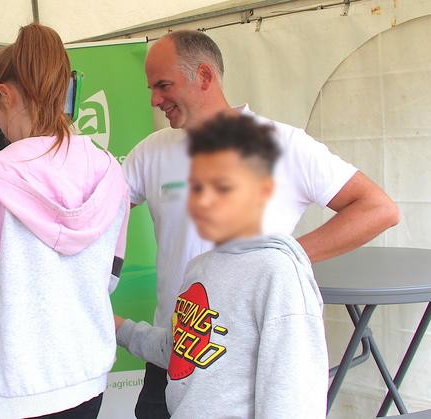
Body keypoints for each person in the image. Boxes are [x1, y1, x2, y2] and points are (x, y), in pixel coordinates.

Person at [123, 30, 399, 418]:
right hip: (174, 350)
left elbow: (377, 208)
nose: (155, 100)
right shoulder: (150, 151)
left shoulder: (281, 144)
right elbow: (101, 209)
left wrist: (282, 259)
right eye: (151, 88)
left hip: (244, 366)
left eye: (164, 85)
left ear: (204, 76)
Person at [0, 23, 129, 419]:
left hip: (17, 391)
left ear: (5, 93)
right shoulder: (110, 172)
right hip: (86, 379)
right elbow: (109, 277)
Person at [116, 114, 328, 418]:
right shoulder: (200, 267)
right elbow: (180, 350)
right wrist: (122, 329)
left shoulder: (277, 274)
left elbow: (292, 398)